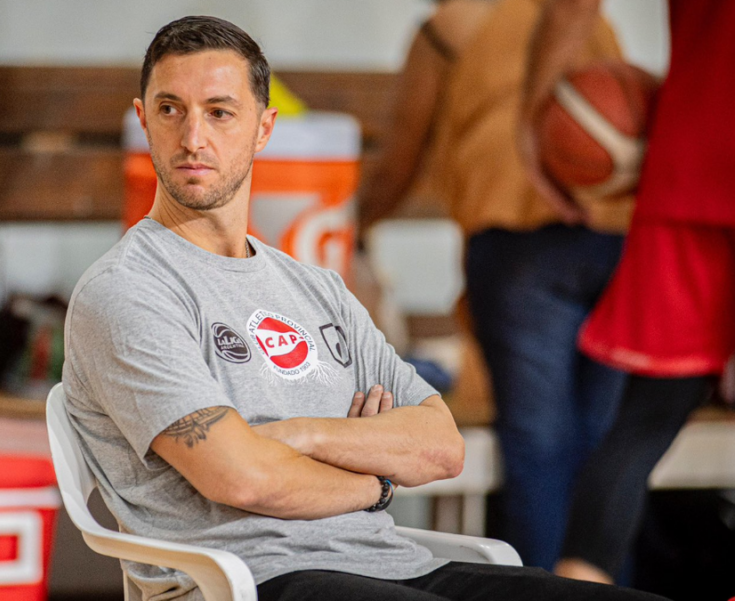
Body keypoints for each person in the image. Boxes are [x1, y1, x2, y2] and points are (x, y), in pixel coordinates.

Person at [64, 15, 665, 601]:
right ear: (144, 120)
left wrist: (296, 435)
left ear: (263, 128)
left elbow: (440, 447)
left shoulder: (317, 288)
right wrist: (376, 477)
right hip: (253, 579)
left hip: (396, 566)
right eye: (171, 110)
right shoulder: (128, 290)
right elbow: (240, 476)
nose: (193, 138)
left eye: (220, 112)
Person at [359, 0, 630, 570]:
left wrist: (351, 228)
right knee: (606, 447)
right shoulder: (593, 20)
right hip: (615, 239)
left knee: (540, 450)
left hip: (519, 243)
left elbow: (399, 163)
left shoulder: (448, 26)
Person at [518, 0, 735, 585]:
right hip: (686, 173)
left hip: (690, 169)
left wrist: (533, 120)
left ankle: (578, 587)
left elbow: (573, 8)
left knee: (642, 424)